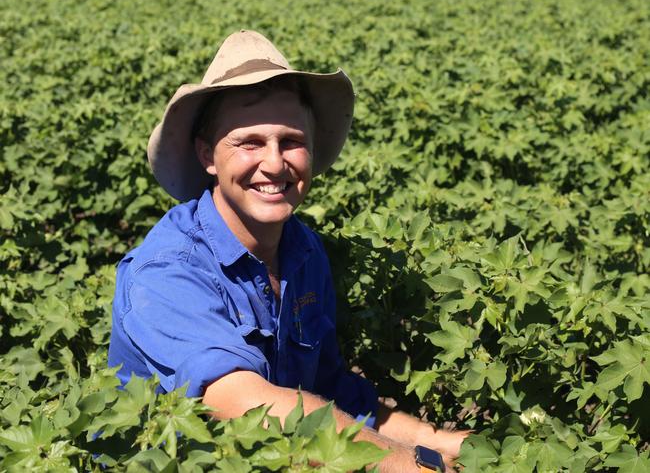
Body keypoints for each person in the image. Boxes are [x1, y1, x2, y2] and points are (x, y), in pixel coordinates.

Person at [108, 30, 468, 471]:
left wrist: (438, 441)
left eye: (291, 140)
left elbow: (329, 392)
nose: (275, 163)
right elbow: (248, 406)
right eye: (250, 142)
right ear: (207, 155)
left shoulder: (303, 249)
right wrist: (411, 465)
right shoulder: (167, 271)